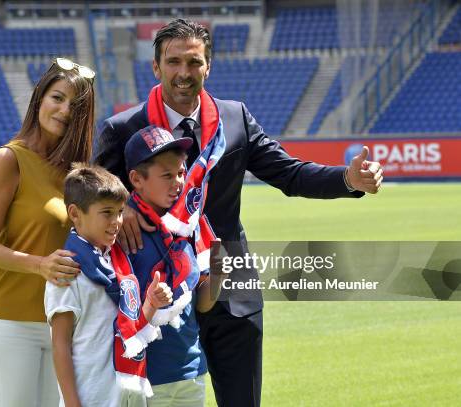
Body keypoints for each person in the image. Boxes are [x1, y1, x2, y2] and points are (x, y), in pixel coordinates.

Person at [93, 19, 383, 407]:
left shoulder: (235, 119)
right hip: (156, 296)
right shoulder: (123, 127)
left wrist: (346, 179)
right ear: (155, 67)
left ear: (208, 66)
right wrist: (123, 203)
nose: (184, 73)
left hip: (230, 283)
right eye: (174, 62)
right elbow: (90, 196)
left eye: (194, 62)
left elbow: (289, 173)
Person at [0, 57, 96, 406]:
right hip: (13, 322)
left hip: (65, 325)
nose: (64, 110)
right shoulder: (8, 160)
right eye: (57, 98)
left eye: (76, 105)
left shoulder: (76, 172)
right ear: (39, 99)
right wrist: (40, 265)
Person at [45, 164, 173, 407]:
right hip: (91, 397)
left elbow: (129, 329)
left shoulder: (118, 263)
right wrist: (73, 403)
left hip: (127, 394)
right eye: (107, 212)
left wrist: (151, 304)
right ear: (75, 213)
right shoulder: (68, 270)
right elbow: (60, 344)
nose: (117, 221)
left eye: (120, 211)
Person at [123, 125, 224, 406]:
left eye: (181, 173)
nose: (178, 182)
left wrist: (217, 275)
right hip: (141, 376)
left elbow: (201, 305)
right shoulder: (121, 229)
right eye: (167, 175)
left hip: (190, 369)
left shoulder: (189, 225)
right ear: (136, 179)